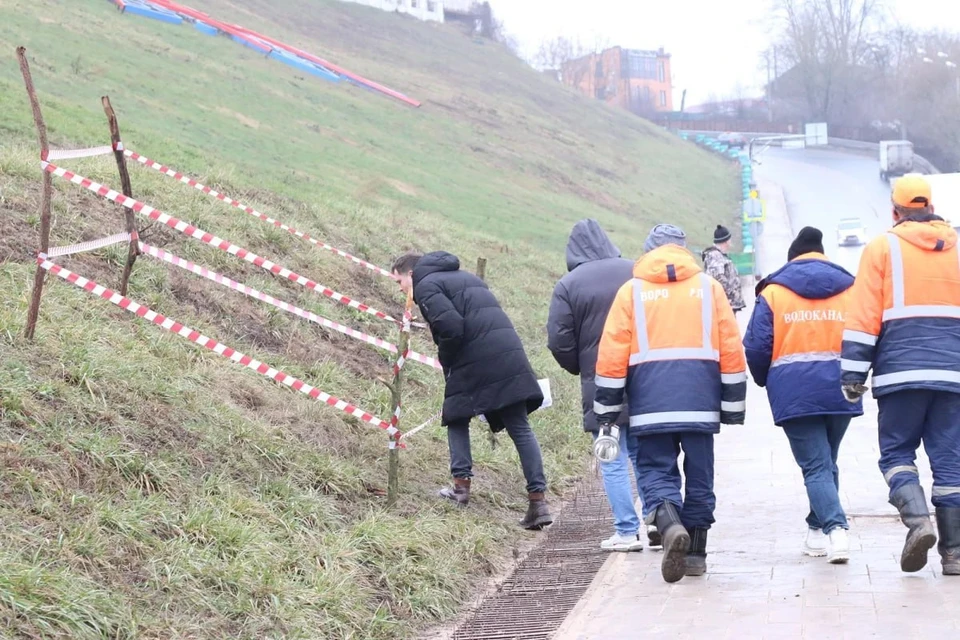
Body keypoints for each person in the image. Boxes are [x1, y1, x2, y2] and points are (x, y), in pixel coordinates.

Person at [594, 224, 747, 583]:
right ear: (685, 251)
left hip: (650, 403)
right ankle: (695, 554)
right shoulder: (709, 289)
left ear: (647, 252)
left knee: (655, 471)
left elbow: (613, 354)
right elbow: (730, 348)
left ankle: (668, 524)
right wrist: (733, 406)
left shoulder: (631, 292)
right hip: (700, 401)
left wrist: (607, 409)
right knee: (700, 475)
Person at [841, 174, 960, 576]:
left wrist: (853, 375)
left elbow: (863, 318)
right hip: (953, 378)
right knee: (951, 464)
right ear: (930, 208)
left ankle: (918, 522)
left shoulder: (882, 248)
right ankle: (955, 554)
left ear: (895, 211)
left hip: (900, 374)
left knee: (896, 454)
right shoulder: (957, 249)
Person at [391, 251, 553, 530]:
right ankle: (538, 502)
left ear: (412, 274)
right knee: (519, 426)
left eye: (400, 281)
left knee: (455, 415)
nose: (401, 289)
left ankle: (460, 488)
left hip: (474, 358)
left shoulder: (427, 286)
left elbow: (452, 327)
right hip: (508, 354)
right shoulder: (464, 277)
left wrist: (448, 359)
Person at [743, 226, 862, 564]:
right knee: (826, 462)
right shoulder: (851, 288)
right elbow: (866, 333)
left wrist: (768, 379)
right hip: (843, 388)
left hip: (796, 392)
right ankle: (815, 530)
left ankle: (836, 531)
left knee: (816, 466)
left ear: (792, 258)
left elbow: (756, 345)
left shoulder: (775, 293)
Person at [547, 219, 659, 552]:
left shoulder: (568, 284)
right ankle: (656, 522)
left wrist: (579, 367)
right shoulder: (635, 271)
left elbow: (558, 340)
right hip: (643, 378)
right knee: (645, 456)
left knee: (611, 457)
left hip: (599, 383)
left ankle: (626, 532)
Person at [702, 224, 746, 314]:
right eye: (729, 240)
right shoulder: (715, 256)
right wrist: (729, 295)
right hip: (725, 305)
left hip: (727, 304)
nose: (730, 242)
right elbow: (718, 277)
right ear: (725, 241)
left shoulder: (719, 256)